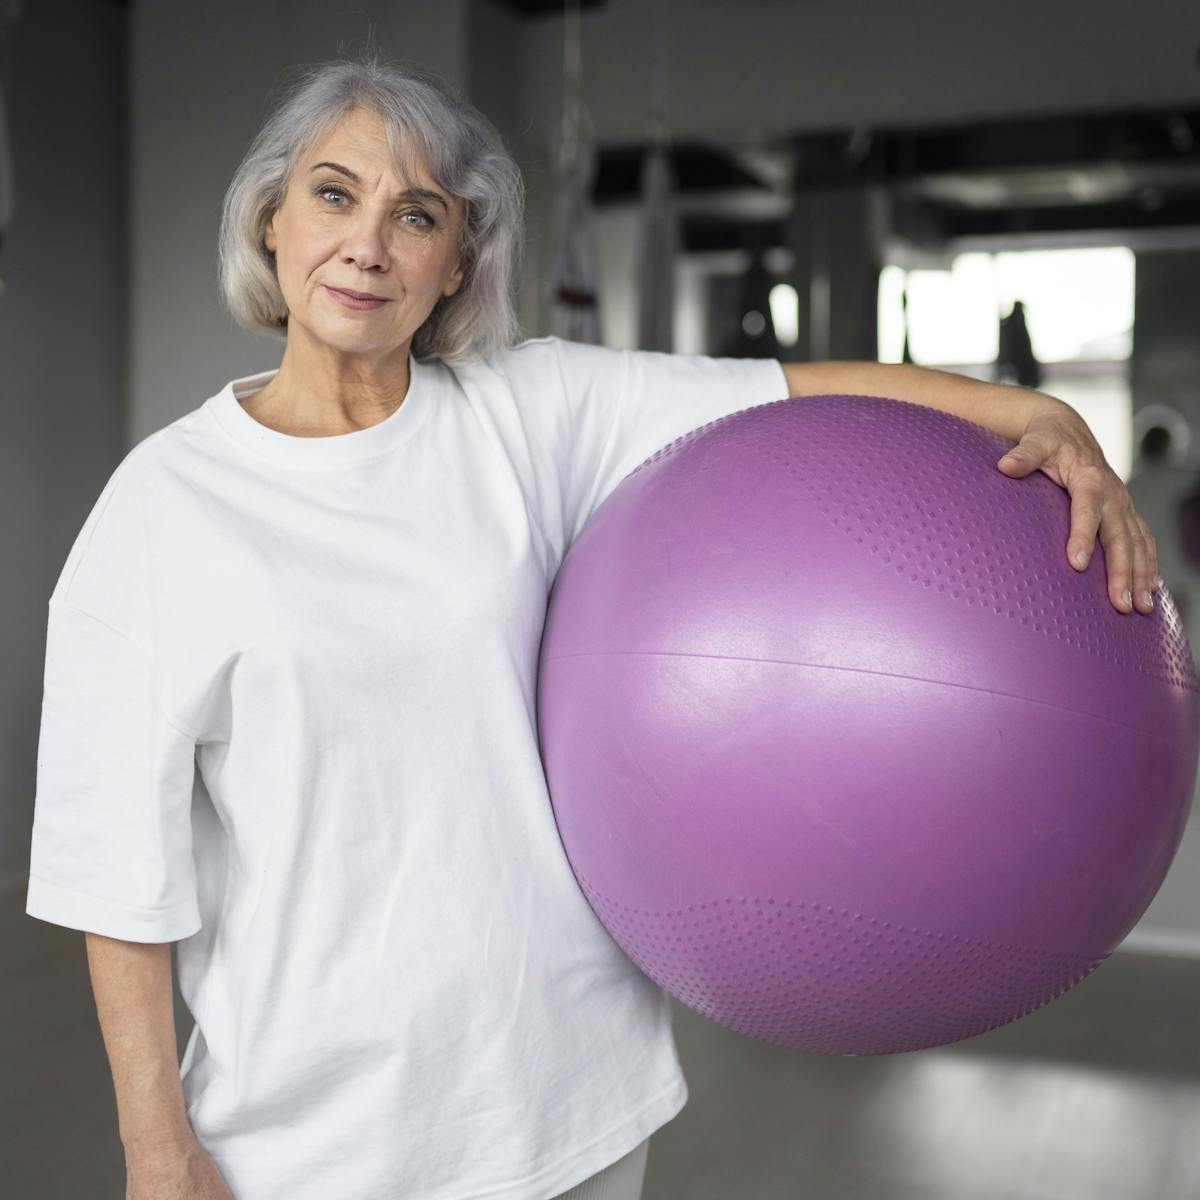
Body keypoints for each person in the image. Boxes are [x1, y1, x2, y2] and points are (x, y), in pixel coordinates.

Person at [24, 51, 1160, 1200]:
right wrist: (155, 1148)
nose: (366, 243)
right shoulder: (164, 509)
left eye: (414, 214)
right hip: (314, 1145)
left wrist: (1035, 411)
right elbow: (112, 863)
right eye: (333, 195)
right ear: (270, 220)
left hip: (572, 1104)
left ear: (455, 261)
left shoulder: (529, 410)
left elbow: (795, 392)